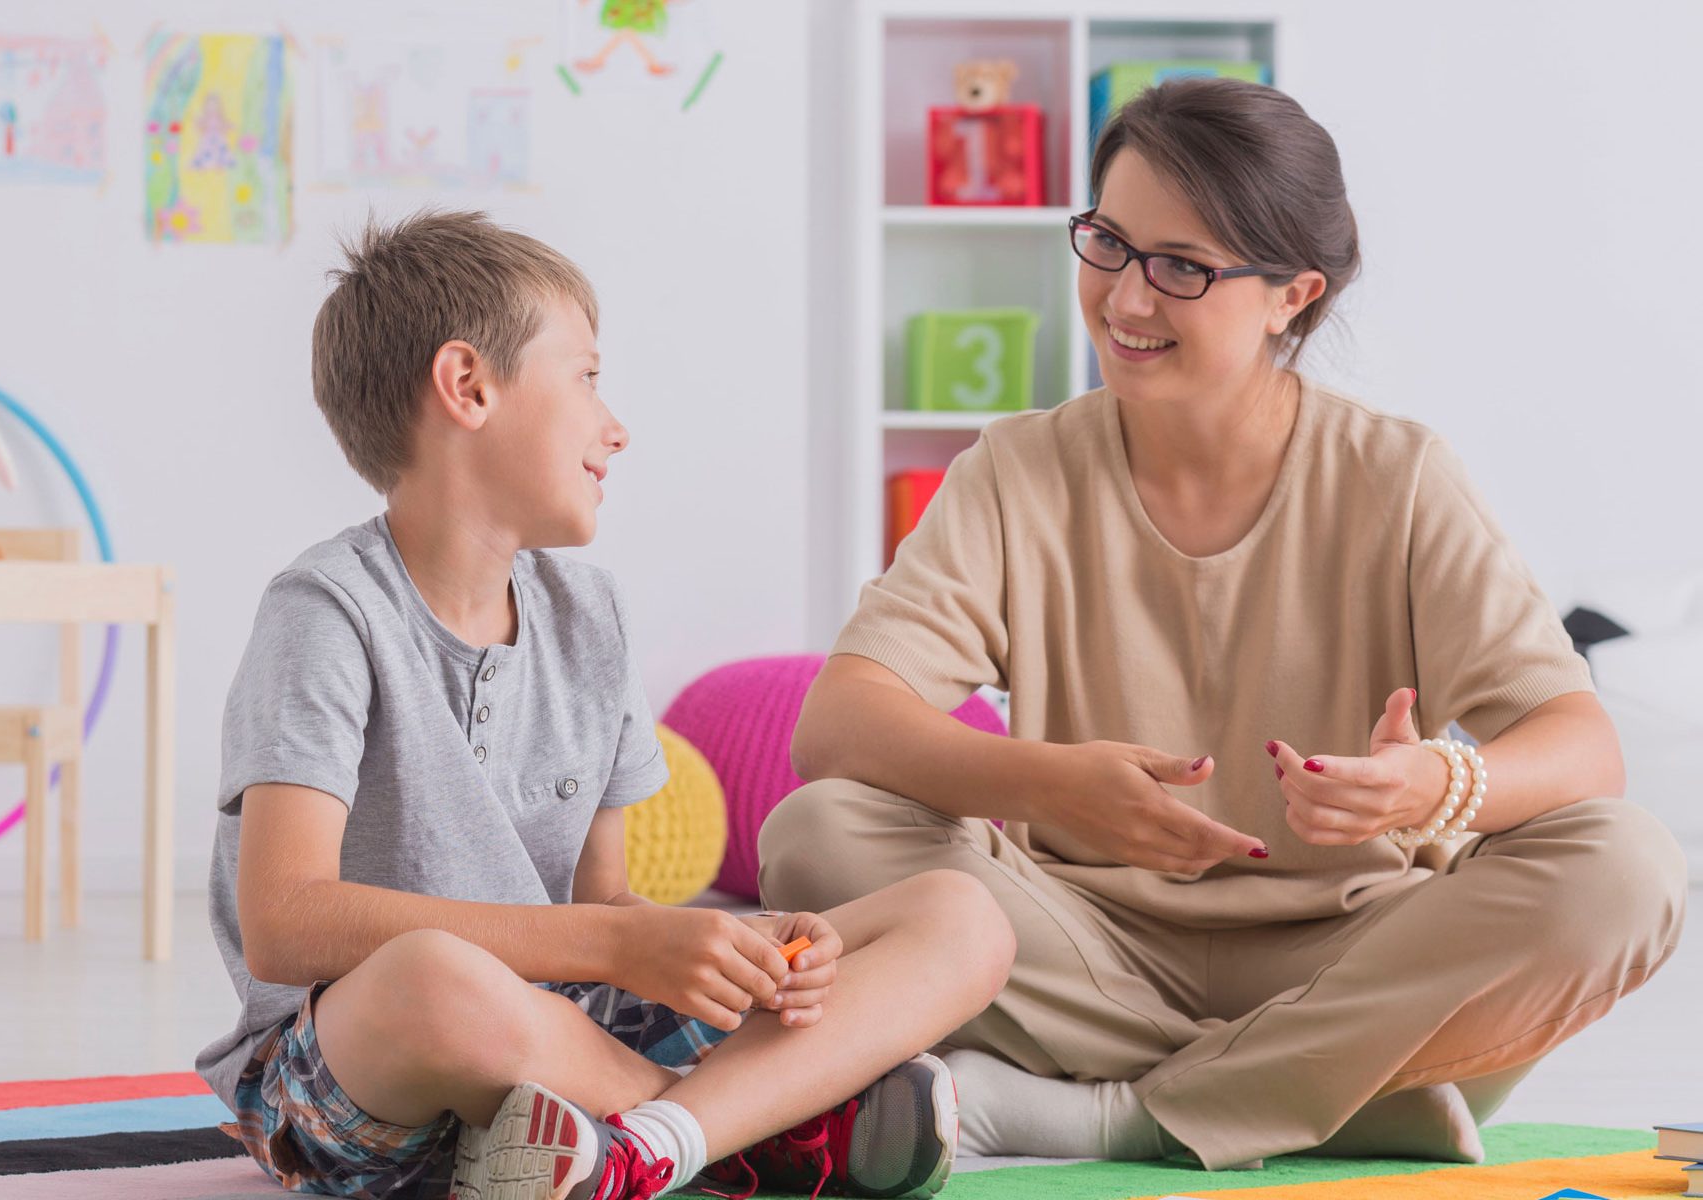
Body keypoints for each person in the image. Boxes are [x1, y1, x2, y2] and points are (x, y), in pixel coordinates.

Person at [760, 79, 1686, 1170]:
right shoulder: (1018, 468)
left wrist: (1439, 786)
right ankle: (1326, 1094)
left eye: (1182, 269)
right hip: (1080, 939)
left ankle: (1124, 1115)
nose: (1124, 299)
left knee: (1625, 867)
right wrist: (1047, 784)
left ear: (1291, 295)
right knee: (815, 834)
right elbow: (838, 724)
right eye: (1105, 242)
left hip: (1346, 950)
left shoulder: (1396, 478)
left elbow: (1582, 745)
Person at [195, 209, 1015, 1200]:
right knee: (435, 978)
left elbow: (606, 901)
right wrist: (618, 944)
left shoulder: (593, 615)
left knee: (960, 911)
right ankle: (742, 1132)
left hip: (569, 1033)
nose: (613, 424)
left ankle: (638, 1146)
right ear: (468, 386)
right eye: (584, 378)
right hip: (351, 1079)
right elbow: (284, 922)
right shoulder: (325, 613)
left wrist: (745, 953)